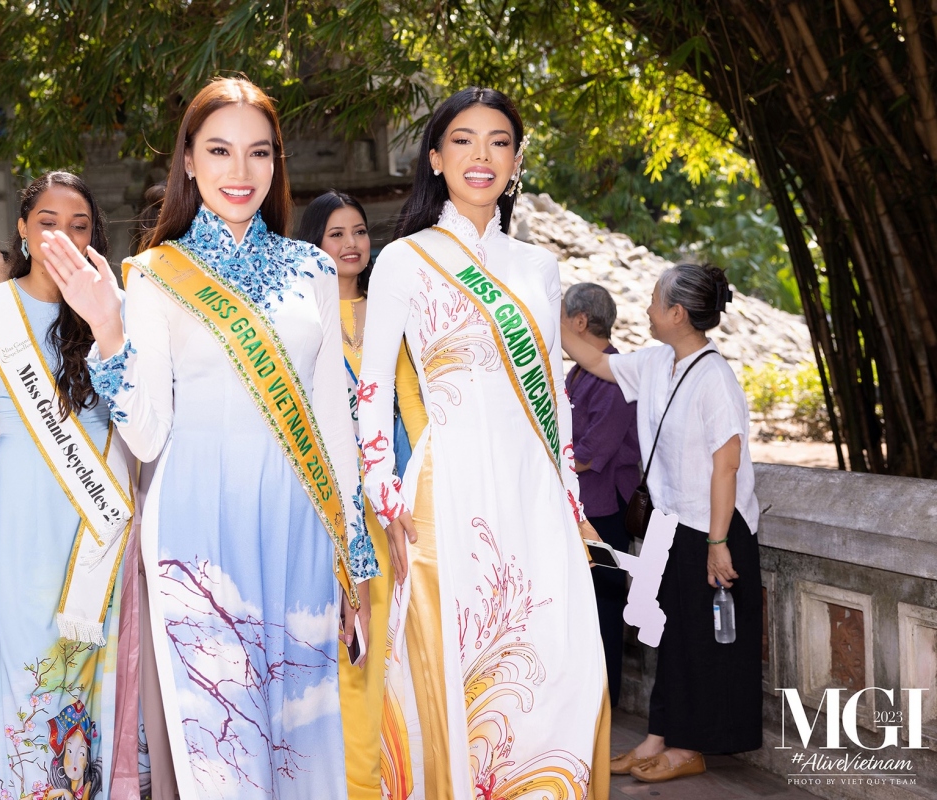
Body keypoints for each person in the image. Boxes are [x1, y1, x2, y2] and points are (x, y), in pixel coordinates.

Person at [57, 77, 374, 798]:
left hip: (297, 529)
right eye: (220, 150)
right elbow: (145, 434)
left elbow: (334, 420)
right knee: (221, 738)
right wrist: (108, 328)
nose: (241, 172)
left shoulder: (314, 270)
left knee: (300, 733)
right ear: (190, 163)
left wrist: (353, 555)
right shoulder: (155, 274)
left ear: (277, 164)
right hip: (198, 536)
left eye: (258, 153)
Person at [358, 87, 610, 799]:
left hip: (535, 496)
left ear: (516, 160)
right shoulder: (403, 260)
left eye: (498, 141)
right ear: (435, 158)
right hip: (450, 492)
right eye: (462, 140)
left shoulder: (538, 267)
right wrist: (384, 494)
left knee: (561, 663)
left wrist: (571, 497)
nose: (481, 156)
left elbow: (554, 395)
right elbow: (372, 388)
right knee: (454, 662)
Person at [0, 172, 128, 799]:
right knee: (31, 661)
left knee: (97, 664)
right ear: (21, 228)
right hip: (22, 509)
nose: (61, 236)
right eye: (47, 222)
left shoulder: (113, 308)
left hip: (100, 505)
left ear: (95, 235)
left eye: (79, 225)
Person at [561, 262, 762, 783]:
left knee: (700, 640)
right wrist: (539, 307)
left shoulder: (714, 376)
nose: (647, 309)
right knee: (669, 636)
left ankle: (689, 747)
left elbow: (727, 464)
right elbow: (592, 359)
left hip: (713, 527)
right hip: (672, 525)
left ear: (677, 313)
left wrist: (719, 543)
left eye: (654, 301)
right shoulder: (655, 363)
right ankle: (657, 736)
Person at [297, 189, 427, 800]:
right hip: (316, 510)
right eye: (335, 235)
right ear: (312, 245)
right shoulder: (297, 316)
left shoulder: (389, 312)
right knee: (325, 641)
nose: (351, 245)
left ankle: (375, 778)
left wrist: (421, 487)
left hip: (380, 508)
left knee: (375, 645)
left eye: (358, 232)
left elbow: (411, 407)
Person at [563, 282, 641, 708]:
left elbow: (594, 452)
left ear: (578, 322)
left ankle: (605, 701)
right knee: (582, 604)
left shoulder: (614, 374)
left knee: (606, 603)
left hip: (606, 509)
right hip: (580, 506)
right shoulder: (578, 372)